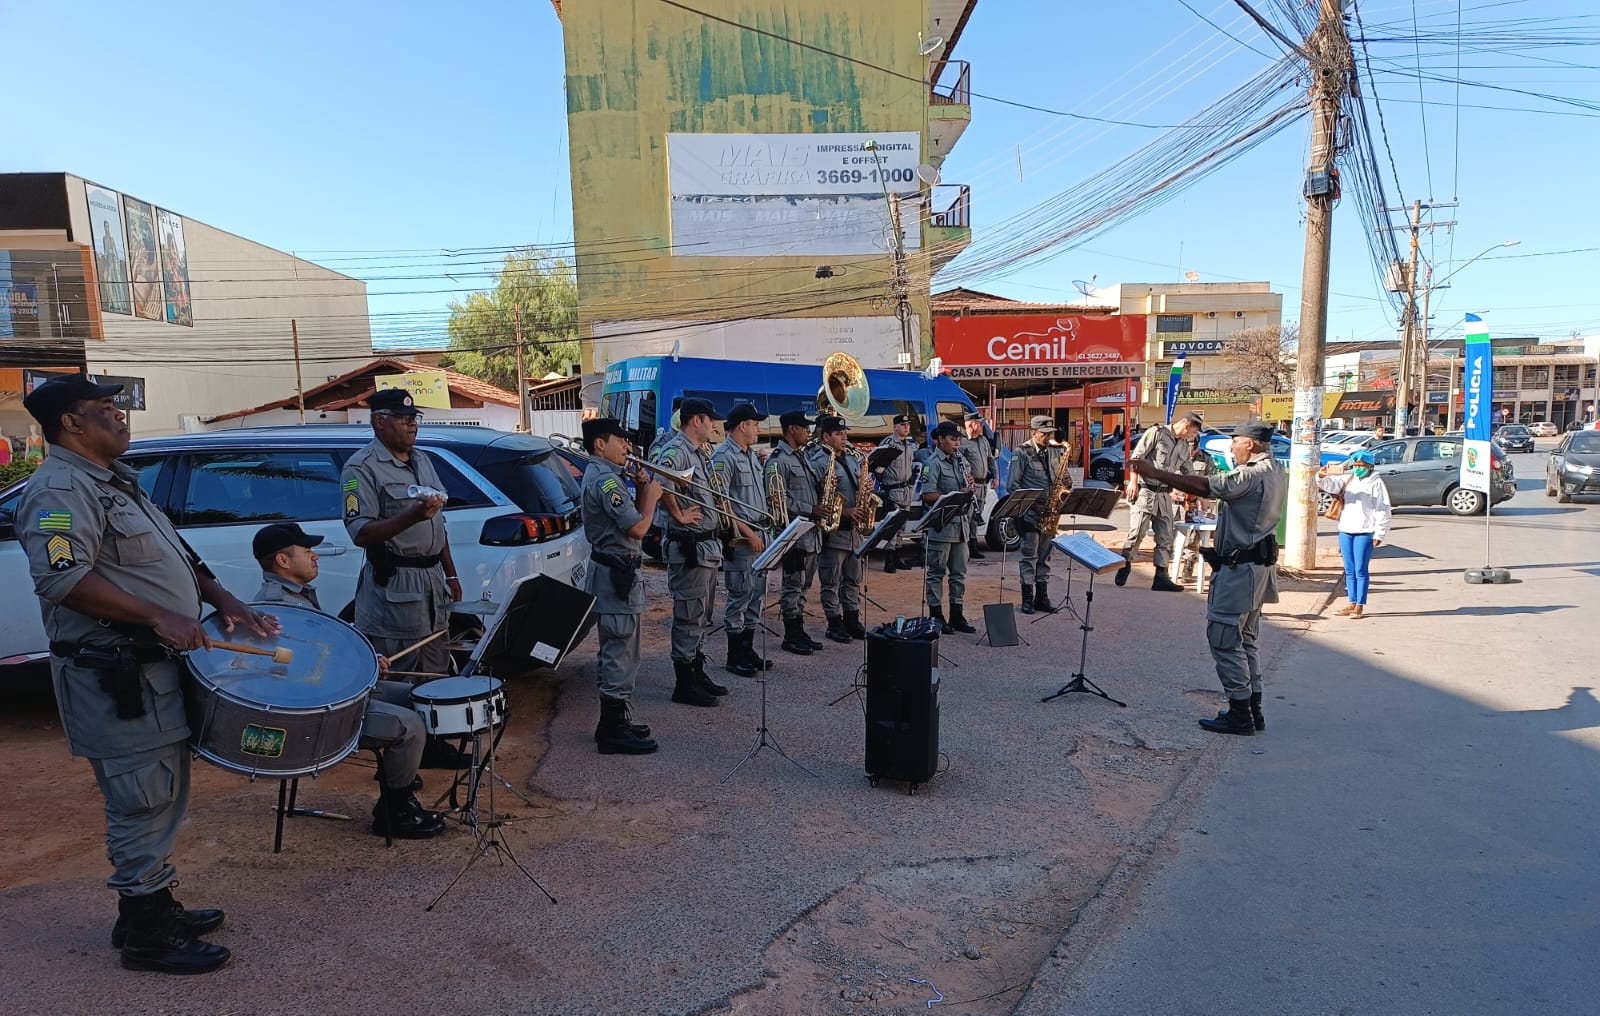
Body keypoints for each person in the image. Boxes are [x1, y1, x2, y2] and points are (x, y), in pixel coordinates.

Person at [19, 372, 278, 975]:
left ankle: (150, 903)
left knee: (162, 790)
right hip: (114, 678)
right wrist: (160, 614)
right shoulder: (58, 492)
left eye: (120, 404)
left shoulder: (116, 483)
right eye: (106, 406)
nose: (121, 413)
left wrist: (224, 601)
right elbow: (62, 579)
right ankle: (147, 933)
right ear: (71, 423)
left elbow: (181, 559)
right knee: (142, 798)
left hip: (153, 672)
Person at [251, 523, 445, 838]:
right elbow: (300, 674)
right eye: (306, 551)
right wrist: (361, 669)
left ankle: (397, 777)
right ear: (282, 561)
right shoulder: (280, 607)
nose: (315, 556)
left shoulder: (296, 596)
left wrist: (364, 661)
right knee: (409, 725)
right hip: (317, 713)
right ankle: (394, 812)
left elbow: (322, 654)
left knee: (417, 696)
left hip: (332, 693)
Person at [1130, 422, 1286, 736]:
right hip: (1257, 570)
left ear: (1251, 445)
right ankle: (1253, 710)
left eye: (1236, 443)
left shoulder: (1251, 475)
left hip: (1240, 572)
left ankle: (1241, 714)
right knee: (1247, 642)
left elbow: (1205, 487)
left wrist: (1156, 473)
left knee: (1225, 642)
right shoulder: (1277, 470)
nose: (1232, 449)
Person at [341, 389, 460, 682]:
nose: (412, 424)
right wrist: (412, 516)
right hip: (396, 590)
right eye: (403, 418)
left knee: (435, 678)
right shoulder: (360, 468)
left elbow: (438, 524)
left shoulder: (422, 460)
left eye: (414, 417)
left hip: (433, 586)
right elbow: (361, 532)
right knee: (398, 681)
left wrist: (451, 574)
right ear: (379, 421)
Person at [580, 417, 662, 754]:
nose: (627, 447)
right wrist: (654, 496)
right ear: (601, 444)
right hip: (614, 577)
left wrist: (642, 487)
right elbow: (639, 530)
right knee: (619, 649)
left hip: (620, 574)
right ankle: (611, 730)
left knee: (625, 649)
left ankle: (616, 720)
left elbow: (635, 519)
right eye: (621, 440)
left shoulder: (610, 477)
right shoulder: (606, 483)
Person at [652, 397, 728, 706]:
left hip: (706, 547)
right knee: (688, 616)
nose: (714, 425)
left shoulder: (700, 453)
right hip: (690, 547)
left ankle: (696, 671)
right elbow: (660, 484)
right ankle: (684, 683)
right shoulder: (677, 451)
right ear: (696, 420)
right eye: (710, 420)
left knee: (701, 615)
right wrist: (678, 514)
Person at [711, 403, 772, 676]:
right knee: (740, 595)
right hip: (743, 538)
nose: (758, 428)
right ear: (742, 426)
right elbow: (721, 502)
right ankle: (733, 654)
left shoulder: (748, 455)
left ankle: (747, 648)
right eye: (755, 423)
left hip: (759, 534)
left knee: (757, 594)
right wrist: (748, 533)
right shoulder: (724, 456)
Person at [1116, 411, 1204, 592]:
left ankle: (1161, 576)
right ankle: (1125, 564)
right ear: (1186, 426)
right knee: (1137, 533)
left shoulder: (1183, 446)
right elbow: (1136, 458)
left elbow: (1189, 472)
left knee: (1165, 537)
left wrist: (1200, 494)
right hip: (1145, 492)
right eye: (1193, 433)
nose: (1192, 437)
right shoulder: (1156, 433)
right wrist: (1132, 482)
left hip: (1164, 495)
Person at [766, 410, 826, 655]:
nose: (808, 432)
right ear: (792, 429)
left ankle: (799, 630)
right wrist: (810, 508)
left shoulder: (801, 457)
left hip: (810, 534)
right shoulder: (779, 460)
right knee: (793, 585)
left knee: (803, 586)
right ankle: (791, 634)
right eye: (804, 428)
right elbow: (775, 500)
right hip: (793, 534)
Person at [810, 415, 873, 642]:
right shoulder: (817, 461)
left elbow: (858, 486)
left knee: (853, 578)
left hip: (854, 531)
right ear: (826, 437)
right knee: (831, 580)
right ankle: (834, 623)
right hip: (834, 530)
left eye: (845, 433)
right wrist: (844, 511)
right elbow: (816, 498)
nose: (844, 437)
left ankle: (851, 619)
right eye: (838, 433)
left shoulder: (852, 458)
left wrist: (866, 486)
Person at [917, 422, 977, 634]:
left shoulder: (961, 461)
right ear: (940, 439)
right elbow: (927, 495)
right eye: (952, 439)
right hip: (942, 527)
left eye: (958, 439)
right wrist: (955, 495)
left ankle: (957, 614)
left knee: (959, 573)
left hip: (961, 526)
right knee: (936, 572)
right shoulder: (932, 464)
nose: (956, 443)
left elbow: (970, 487)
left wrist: (970, 489)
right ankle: (936, 615)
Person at [1317, 449, 1392, 619]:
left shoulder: (1376, 483)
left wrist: (1379, 534)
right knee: (1349, 570)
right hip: (1345, 529)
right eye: (1356, 465)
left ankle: (1359, 605)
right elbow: (1329, 485)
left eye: (1362, 465)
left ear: (1370, 466)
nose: (1358, 468)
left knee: (1360, 569)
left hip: (1365, 531)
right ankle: (1351, 602)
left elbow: (1383, 509)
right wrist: (1321, 476)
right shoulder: (1349, 479)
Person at [1007, 416, 1064, 615]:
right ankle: (1028, 598)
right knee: (1029, 556)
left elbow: (1063, 479)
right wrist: (1034, 506)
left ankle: (1042, 597)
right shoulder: (1022, 452)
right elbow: (1012, 486)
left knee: (1045, 557)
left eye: (1050, 434)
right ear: (1033, 432)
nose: (1048, 437)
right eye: (1044, 434)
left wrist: (1064, 489)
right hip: (1031, 513)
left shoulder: (1055, 452)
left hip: (1051, 512)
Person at [875, 414, 920, 572]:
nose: (906, 427)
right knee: (892, 525)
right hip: (893, 489)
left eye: (907, 425)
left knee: (902, 525)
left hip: (906, 489)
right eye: (903, 425)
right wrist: (885, 482)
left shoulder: (908, 445)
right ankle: (888, 559)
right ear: (895, 427)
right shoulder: (889, 443)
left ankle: (897, 557)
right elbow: (878, 466)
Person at [1174, 441, 1218, 586]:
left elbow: (1211, 484)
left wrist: (1206, 501)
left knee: (1193, 538)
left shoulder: (1206, 459)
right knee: (1169, 537)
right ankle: (1166, 569)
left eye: (1193, 451)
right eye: (1188, 451)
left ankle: (1188, 564)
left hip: (1195, 504)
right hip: (1175, 503)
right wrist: (1170, 492)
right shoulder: (1175, 456)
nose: (1190, 454)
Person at [958, 411, 995, 560]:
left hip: (982, 485)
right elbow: (958, 464)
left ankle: (973, 546)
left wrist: (996, 476)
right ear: (970, 425)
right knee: (967, 516)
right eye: (979, 423)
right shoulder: (962, 442)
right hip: (969, 486)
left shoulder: (984, 440)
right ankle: (965, 547)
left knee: (976, 517)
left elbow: (991, 460)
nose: (981, 426)